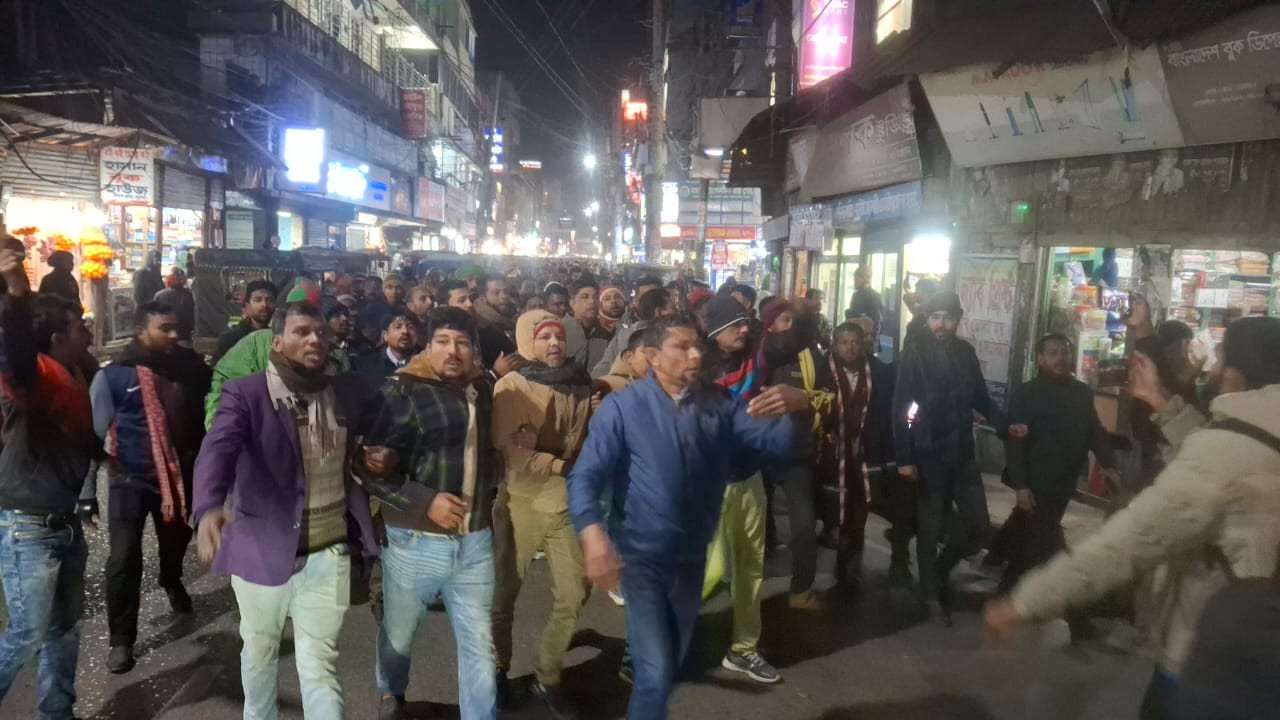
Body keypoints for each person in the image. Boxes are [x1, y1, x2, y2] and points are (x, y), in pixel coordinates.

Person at [986, 317, 1280, 720]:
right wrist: (1162, 403)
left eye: (1220, 359)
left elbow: (1128, 542)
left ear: (1237, 375)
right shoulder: (1257, 436)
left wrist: (1026, 602)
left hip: (1212, 652)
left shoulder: (1224, 453)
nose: (1210, 369)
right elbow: (1232, 451)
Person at [568, 316, 794, 720]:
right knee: (655, 672)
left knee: (670, 660)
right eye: (682, 347)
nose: (695, 355)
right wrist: (593, 535)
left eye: (697, 346)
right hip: (640, 556)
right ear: (653, 356)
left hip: (691, 555)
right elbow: (586, 477)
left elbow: (772, 441)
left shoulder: (719, 403)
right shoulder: (623, 408)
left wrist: (796, 408)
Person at [193, 301, 379, 720]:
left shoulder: (345, 392)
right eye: (301, 332)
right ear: (276, 342)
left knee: (319, 664)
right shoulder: (247, 393)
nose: (314, 339)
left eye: (320, 332)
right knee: (260, 650)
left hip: (329, 551)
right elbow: (217, 449)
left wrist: (377, 458)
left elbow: (373, 438)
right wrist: (208, 506)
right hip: (261, 548)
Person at [356, 307, 501, 720]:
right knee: (400, 633)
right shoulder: (401, 392)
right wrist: (425, 501)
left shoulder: (483, 389)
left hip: (475, 539)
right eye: (443, 341)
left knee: (479, 642)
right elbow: (363, 467)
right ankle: (391, 693)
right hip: (414, 541)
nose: (452, 351)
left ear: (474, 349)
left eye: (462, 343)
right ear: (428, 345)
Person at [0, 242, 97, 720]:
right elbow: (16, 352)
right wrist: (17, 297)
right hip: (29, 526)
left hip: (64, 522)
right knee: (26, 634)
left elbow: (78, 434)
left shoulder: (76, 372)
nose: (88, 331)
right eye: (79, 327)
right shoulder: (36, 376)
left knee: (64, 630)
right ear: (57, 338)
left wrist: (105, 458)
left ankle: (57, 713)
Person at [88, 301, 212, 674]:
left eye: (176, 327)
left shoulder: (191, 370)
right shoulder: (115, 375)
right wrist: (86, 492)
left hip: (179, 478)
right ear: (141, 332)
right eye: (165, 329)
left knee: (176, 542)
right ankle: (121, 639)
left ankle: (170, 578)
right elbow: (92, 434)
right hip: (129, 480)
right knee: (123, 558)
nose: (174, 335)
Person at [491, 311, 593, 717]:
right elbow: (511, 451)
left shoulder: (580, 383)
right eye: (544, 336)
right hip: (520, 503)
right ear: (527, 342)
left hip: (564, 503)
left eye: (559, 336)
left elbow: (583, 438)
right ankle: (496, 671)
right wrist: (561, 464)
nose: (554, 343)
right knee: (503, 596)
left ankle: (547, 676)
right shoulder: (512, 385)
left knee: (574, 593)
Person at [997, 334, 1118, 637]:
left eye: (1064, 352)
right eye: (1052, 353)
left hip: (1063, 484)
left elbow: (1094, 431)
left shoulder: (1081, 393)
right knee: (1056, 554)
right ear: (1040, 359)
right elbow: (1015, 444)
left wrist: (1109, 464)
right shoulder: (1027, 394)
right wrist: (1021, 486)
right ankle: (1078, 620)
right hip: (1037, 486)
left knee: (1026, 548)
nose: (1060, 358)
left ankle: (1000, 601)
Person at [892, 291, 1000, 626]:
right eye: (935, 317)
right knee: (930, 528)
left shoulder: (966, 353)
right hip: (928, 455)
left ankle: (937, 572)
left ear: (958, 318)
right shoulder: (915, 353)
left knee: (979, 526)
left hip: (962, 453)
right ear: (927, 319)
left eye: (948, 317)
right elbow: (903, 407)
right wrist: (905, 454)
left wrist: (1005, 423)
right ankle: (931, 596)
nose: (941, 324)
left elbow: (981, 397)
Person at [825, 321, 895, 595]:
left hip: (866, 455)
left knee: (857, 515)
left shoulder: (879, 373)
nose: (850, 347)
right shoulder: (822, 371)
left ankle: (849, 573)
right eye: (844, 342)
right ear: (835, 344)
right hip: (831, 456)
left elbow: (895, 410)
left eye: (856, 341)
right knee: (834, 512)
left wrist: (904, 430)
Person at [439, 278, 518, 375]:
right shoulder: (439, 345)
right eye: (461, 300)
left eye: (470, 299)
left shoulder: (489, 334)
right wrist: (494, 374)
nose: (469, 304)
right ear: (444, 307)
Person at [591, 288, 674, 379]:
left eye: (618, 297)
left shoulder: (624, 333)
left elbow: (602, 368)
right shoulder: (663, 338)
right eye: (673, 308)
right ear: (658, 312)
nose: (677, 312)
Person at [352, 309, 418, 395]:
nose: (405, 331)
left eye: (410, 327)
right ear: (385, 335)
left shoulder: (428, 363)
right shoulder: (364, 365)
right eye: (398, 327)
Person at [216, 280, 278, 361]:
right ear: (247, 305)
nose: (264, 305)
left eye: (270, 300)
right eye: (258, 300)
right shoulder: (230, 339)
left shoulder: (279, 337)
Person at [563, 278, 611, 371]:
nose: (592, 301)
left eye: (595, 297)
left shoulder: (606, 332)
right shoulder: (559, 330)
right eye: (585, 297)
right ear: (572, 303)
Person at [153, 268, 195, 345]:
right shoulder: (189, 295)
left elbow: (155, 317)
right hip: (184, 335)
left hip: (164, 335)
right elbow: (192, 316)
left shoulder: (159, 295)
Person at [475, 275, 515, 339]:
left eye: (506, 291)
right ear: (482, 298)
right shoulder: (480, 329)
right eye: (496, 292)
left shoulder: (515, 316)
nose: (504, 296)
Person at [848, 267, 883, 333]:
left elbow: (875, 321)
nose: (854, 282)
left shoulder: (874, 297)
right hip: (855, 334)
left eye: (856, 279)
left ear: (864, 278)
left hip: (866, 336)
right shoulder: (856, 295)